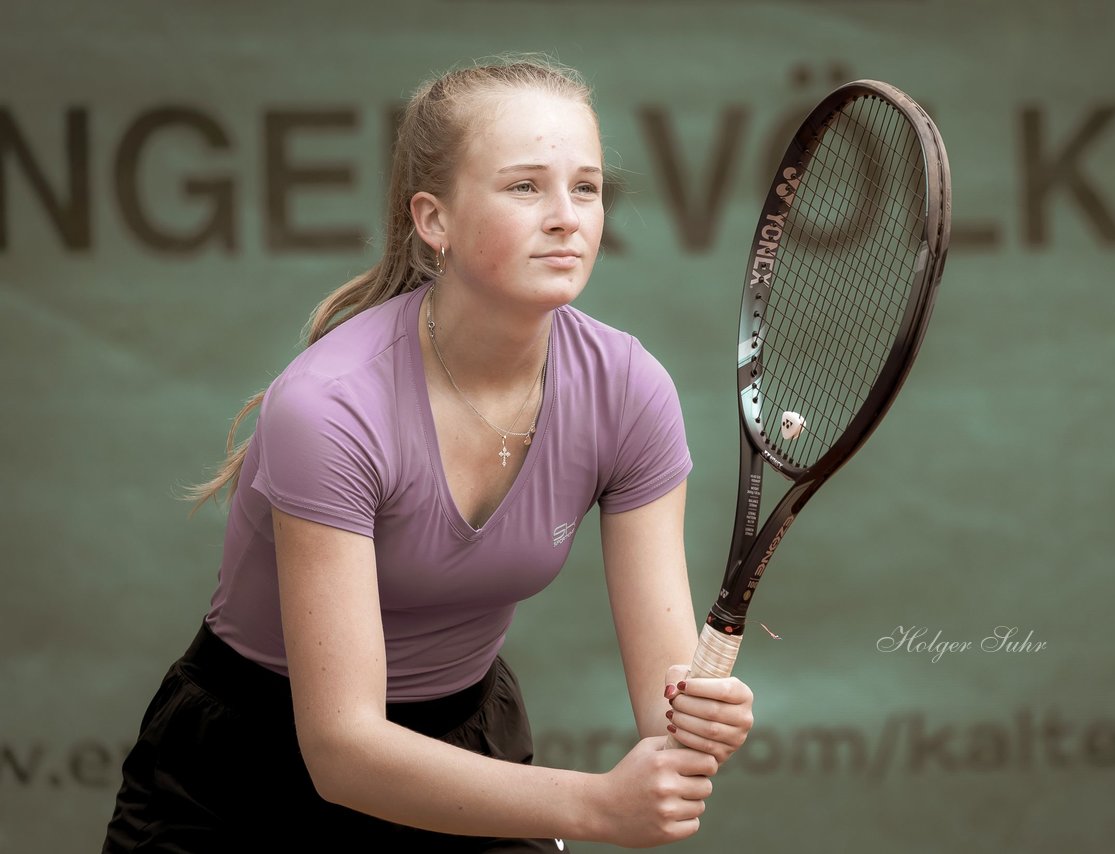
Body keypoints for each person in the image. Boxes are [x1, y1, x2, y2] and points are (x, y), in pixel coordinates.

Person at [102, 56, 755, 853]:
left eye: (585, 187)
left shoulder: (629, 390)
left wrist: (699, 717)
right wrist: (593, 808)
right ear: (432, 220)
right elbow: (343, 753)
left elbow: (665, 708)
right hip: (241, 782)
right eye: (525, 187)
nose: (567, 216)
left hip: (466, 743)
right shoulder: (330, 406)